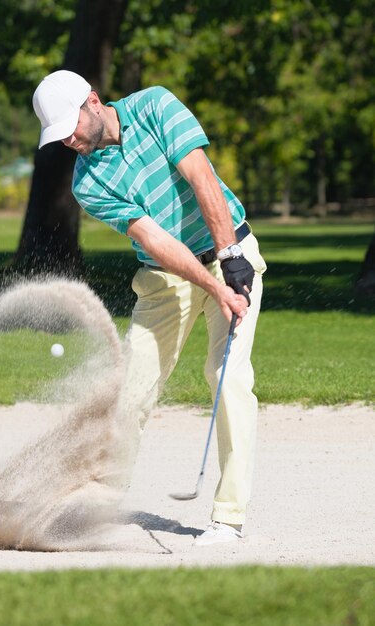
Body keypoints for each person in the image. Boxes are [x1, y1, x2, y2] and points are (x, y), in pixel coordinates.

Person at [32, 70, 267, 546]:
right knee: (132, 392)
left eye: (70, 128)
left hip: (231, 252)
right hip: (166, 279)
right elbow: (155, 241)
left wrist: (229, 257)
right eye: (58, 137)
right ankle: (99, 506)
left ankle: (228, 519)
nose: (69, 141)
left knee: (229, 378)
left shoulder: (155, 106)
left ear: (93, 102)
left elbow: (202, 178)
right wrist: (212, 285)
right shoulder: (87, 184)